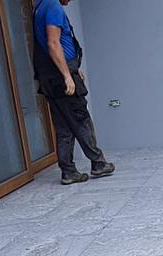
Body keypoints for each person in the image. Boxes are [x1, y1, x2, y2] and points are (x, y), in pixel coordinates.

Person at [32, 0, 114, 185]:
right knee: (81, 119)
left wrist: (73, 68)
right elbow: (53, 44)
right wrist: (67, 75)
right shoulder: (52, 6)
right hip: (59, 76)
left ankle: (68, 171)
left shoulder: (40, 6)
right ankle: (98, 163)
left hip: (49, 77)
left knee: (64, 126)